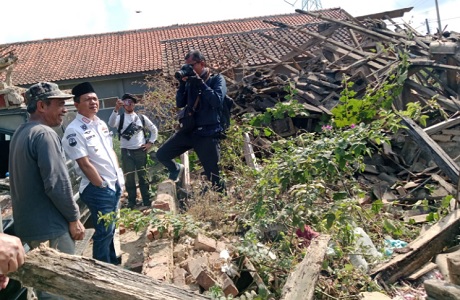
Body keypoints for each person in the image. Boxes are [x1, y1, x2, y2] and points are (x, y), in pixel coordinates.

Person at [9, 81, 85, 299]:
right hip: (51, 227)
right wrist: (73, 218)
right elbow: (57, 183)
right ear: (41, 106)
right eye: (59, 104)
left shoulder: (21, 133)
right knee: (62, 289)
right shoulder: (44, 134)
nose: (65, 109)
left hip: (30, 227)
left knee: (47, 288)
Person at [63, 82, 124, 265]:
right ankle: (103, 269)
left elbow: (110, 152)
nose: (93, 102)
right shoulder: (74, 130)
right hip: (97, 188)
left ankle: (112, 264)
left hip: (113, 184)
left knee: (111, 228)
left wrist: (119, 177)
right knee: (104, 231)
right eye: (87, 99)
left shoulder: (101, 124)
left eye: (95, 99)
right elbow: (84, 163)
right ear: (76, 104)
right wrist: (101, 184)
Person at [156, 49, 226, 192]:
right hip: (189, 131)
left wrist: (199, 82)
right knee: (162, 154)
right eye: (186, 66)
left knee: (214, 177)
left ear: (202, 64)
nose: (189, 70)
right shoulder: (190, 83)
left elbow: (216, 101)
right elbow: (180, 103)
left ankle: (221, 205)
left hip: (208, 133)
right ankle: (176, 169)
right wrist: (182, 84)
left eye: (191, 66)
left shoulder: (216, 80)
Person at [108, 93, 158, 209]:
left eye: (131, 102)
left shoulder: (141, 118)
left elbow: (154, 129)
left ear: (134, 104)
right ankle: (132, 201)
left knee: (143, 176)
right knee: (129, 177)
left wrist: (150, 143)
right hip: (126, 152)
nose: (129, 104)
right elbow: (111, 123)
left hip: (140, 150)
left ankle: (146, 199)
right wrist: (116, 109)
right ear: (123, 104)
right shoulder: (119, 118)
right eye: (126, 102)